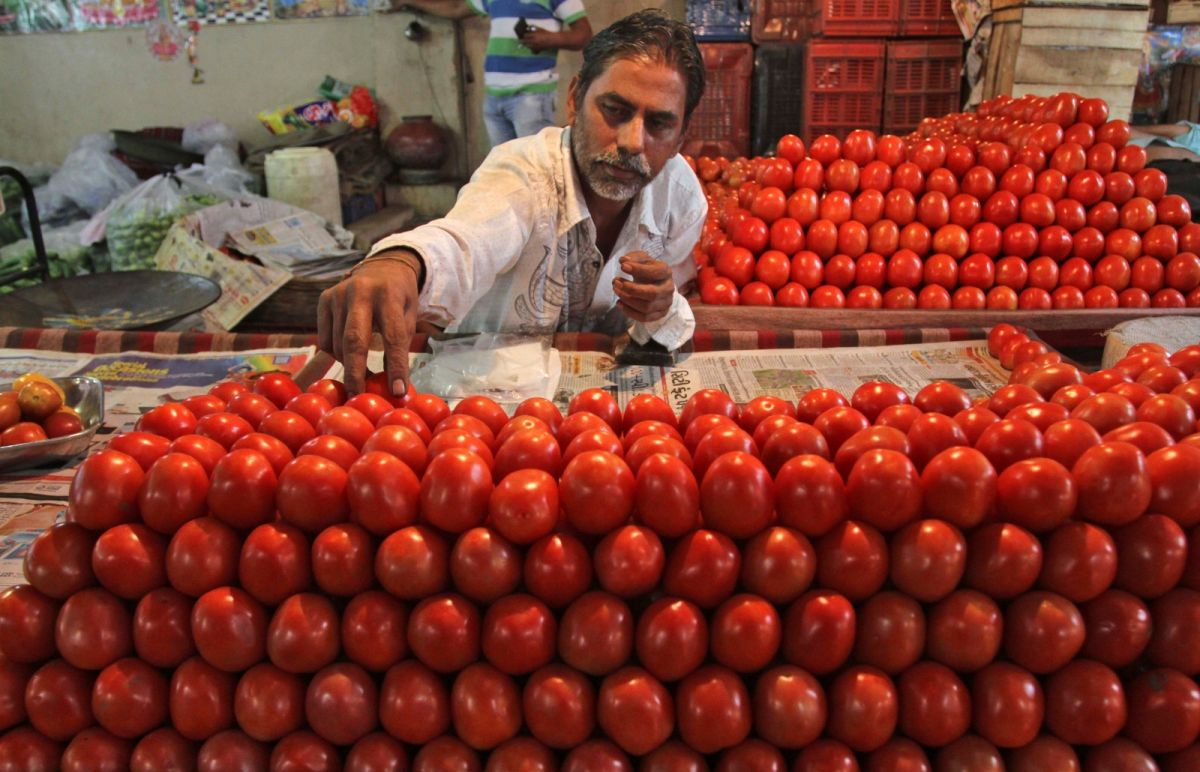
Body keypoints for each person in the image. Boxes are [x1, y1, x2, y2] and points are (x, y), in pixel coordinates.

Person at [318, 9, 707, 395]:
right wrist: (402, 261)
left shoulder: (680, 201)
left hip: (595, 410)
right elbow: (465, 240)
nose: (632, 142)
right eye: (615, 110)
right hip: (479, 395)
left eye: (659, 124)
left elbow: (669, 308)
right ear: (574, 100)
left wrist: (661, 308)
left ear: (681, 136)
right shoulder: (523, 173)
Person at [401, 0, 593, 146]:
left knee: (536, 167)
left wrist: (550, 39)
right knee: (504, 169)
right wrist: (409, 1)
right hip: (494, 96)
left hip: (531, 95)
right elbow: (456, 8)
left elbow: (584, 34)